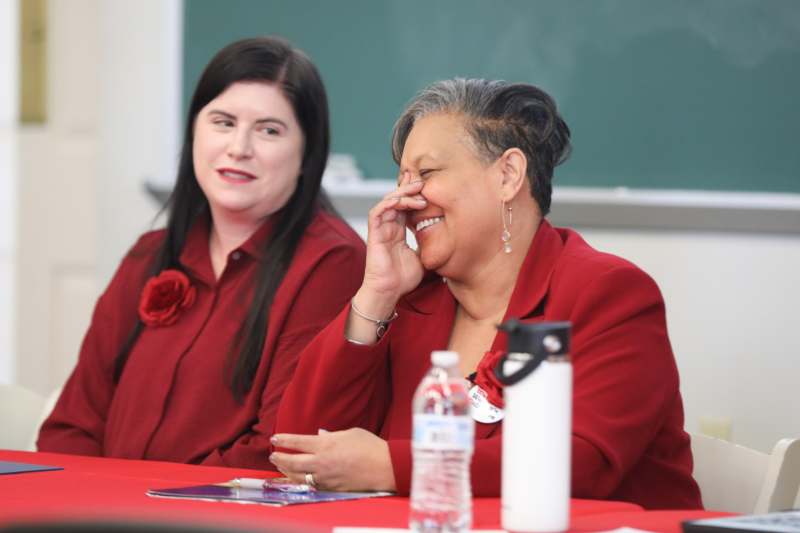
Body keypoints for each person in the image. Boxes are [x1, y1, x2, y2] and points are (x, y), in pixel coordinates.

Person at [268, 78, 702, 509]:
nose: (406, 198)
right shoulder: (413, 302)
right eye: (402, 178)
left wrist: (390, 465)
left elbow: (582, 463)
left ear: (508, 175)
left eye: (426, 173)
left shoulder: (609, 293)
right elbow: (301, 451)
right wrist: (376, 294)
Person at [37, 37, 366, 469]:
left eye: (269, 130)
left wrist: (146, 507)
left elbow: (280, 447)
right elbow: (72, 426)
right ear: (194, 130)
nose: (239, 148)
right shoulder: (148, 255)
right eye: (223, 122)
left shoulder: (331, 263)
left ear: (307, 154)